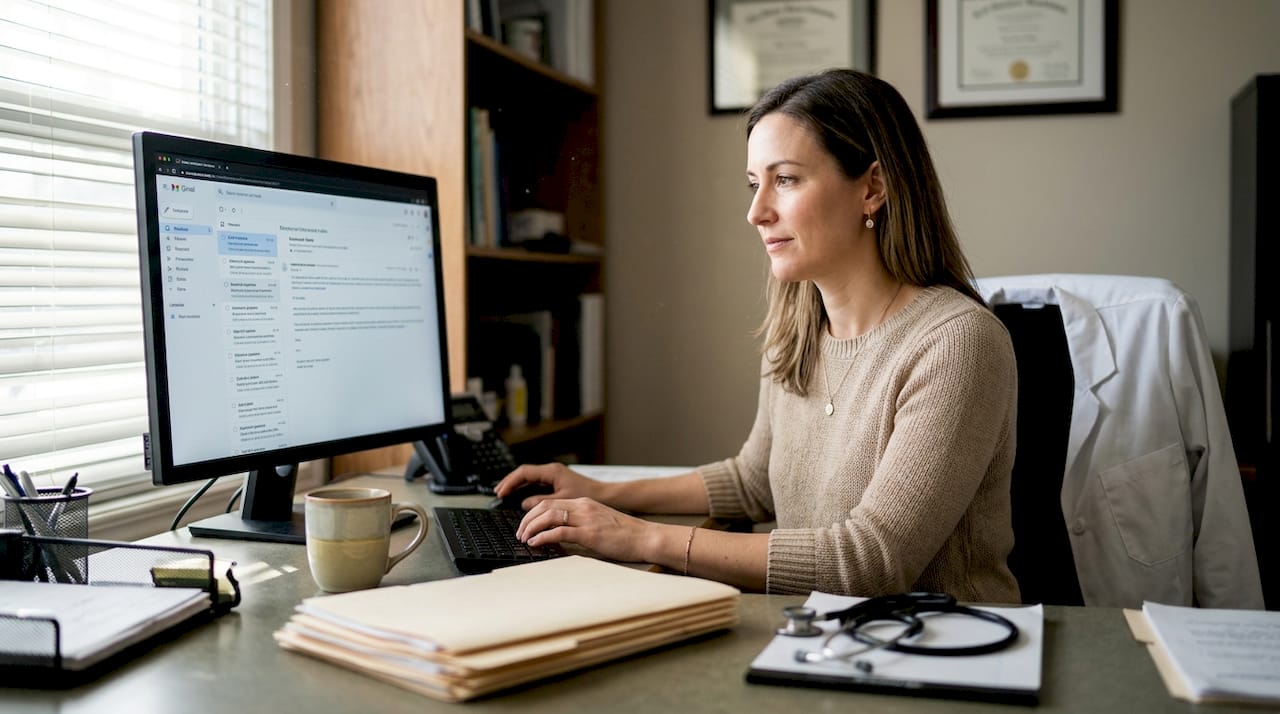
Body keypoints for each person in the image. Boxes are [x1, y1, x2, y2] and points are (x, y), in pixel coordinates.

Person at [496, 69, 1020, 602]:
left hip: (943, 652)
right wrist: (602, 493)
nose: (756, 212)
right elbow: (755, 479)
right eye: (754, 184)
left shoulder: (958, 344)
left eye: (786, 180)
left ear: (873, 187)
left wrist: (639, 537)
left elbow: (869, 561)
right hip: (822, 637)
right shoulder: (798, 328)